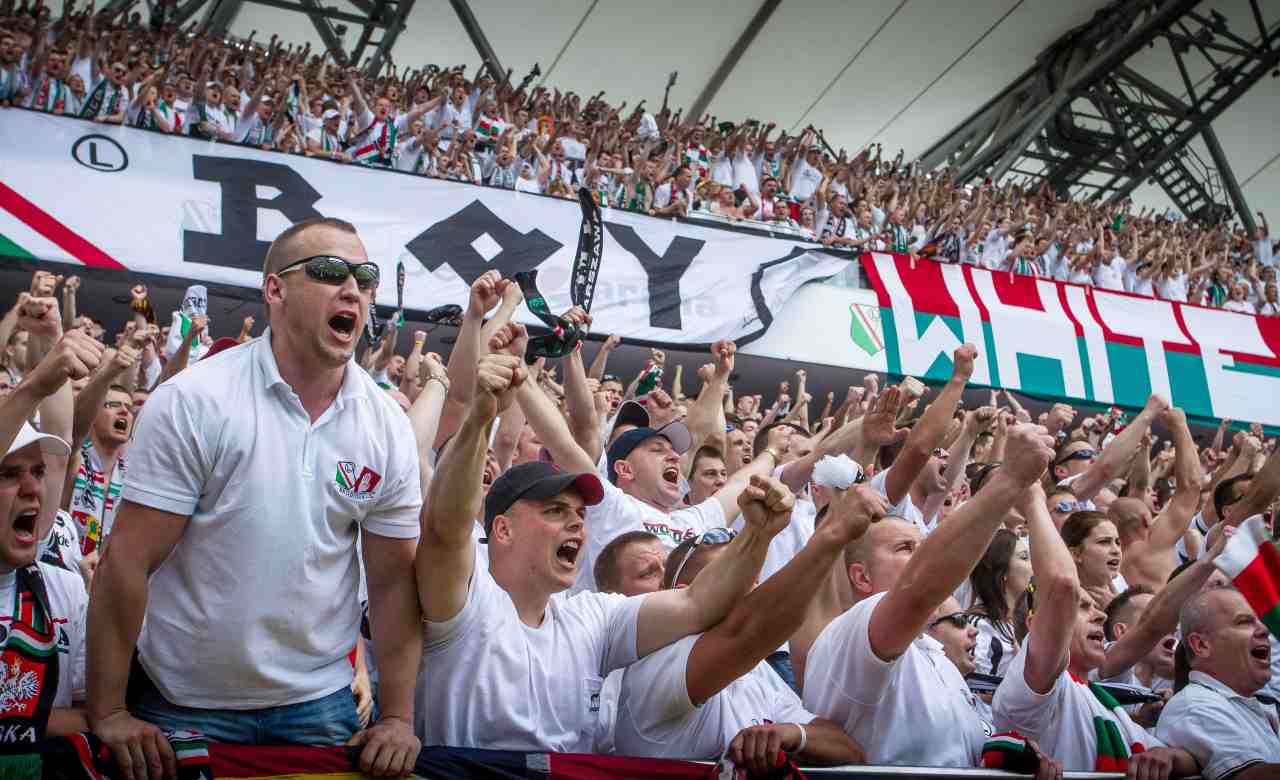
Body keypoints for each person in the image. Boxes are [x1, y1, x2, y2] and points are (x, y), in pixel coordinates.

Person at [86, 218, 424, 777]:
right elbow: (127, 561)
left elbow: (391, 582)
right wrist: (109, 710)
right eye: (328, 271)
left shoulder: (386, 424)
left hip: (320, 706)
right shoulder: (195, 399)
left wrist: (399, 717)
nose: (352, 290)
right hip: (183, 704)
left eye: (364, 279)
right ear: (275, 290)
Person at [412, 349, 788, 752]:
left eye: (579, 513)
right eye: (556, 511)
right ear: (502, 530)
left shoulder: (592, 618)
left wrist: (757, 536)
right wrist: (481, 417)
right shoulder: (466, 602)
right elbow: (445, 527)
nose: (577, 522)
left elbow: (699, 603)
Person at [802, 420, 1056, 767]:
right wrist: (1010, 479)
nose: (922, 554)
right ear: (861, 577)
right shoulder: (851, 632)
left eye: (924, 545)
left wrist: (1008, 759)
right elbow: (918, 589)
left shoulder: (938, 656)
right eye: (907, 548)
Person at [611, 480, 881, 769]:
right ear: (684, 591)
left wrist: (791, 733)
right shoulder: (659, 661)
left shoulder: (756, 673)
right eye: (735, 581)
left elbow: (849, 750)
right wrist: (833, 533)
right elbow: (755, 629)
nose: (754, 589)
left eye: (754, 578)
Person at [991, 475, 1223, 776]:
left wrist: (1169, 756)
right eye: (1083, 607)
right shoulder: (1032, 688)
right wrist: (1034, 496)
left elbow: (1152, 623)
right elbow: (1062, 587)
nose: (1101, 615)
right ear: (1037, 624)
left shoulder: (1105, 700)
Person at [0, 320, 104, 743]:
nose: (33, 488)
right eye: (8, 474)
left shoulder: (67, 589)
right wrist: (34, 384)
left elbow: (89, 713)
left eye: (38, 472)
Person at [1156, 587, 1279, 779]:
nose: (1264, 630)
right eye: (1244, 622)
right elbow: (1251, 777)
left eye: (1260, 621)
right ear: (1202, 645)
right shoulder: (1196, 705)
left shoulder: (1254, 707)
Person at [967, 529, 1031, 677]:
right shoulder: (979, 626)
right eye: (1024, 558)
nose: (1032, 566)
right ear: (1003, 572)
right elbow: (973, 689)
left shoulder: (1024, 622)